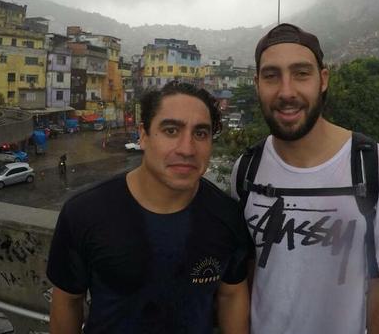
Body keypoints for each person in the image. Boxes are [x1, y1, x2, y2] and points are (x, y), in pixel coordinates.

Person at [231, 23, 379, 334]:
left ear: (322, 79)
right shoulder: (246, 170)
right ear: (257, 83)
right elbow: (245, 273)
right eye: (271, 76)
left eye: (301, 73)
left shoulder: (372, 164)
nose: (286, 92)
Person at [47, 81, 251, 334]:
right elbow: (67, 301)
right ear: (143, 136)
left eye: (200, 133)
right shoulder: (85, 214)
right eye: (171, 131)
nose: (187, 149)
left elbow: (231, 296)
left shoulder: (227, 217)